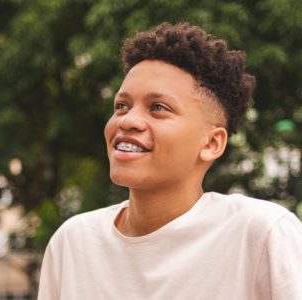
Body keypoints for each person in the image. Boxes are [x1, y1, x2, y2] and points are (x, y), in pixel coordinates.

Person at [37, 22, 302, 299]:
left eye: (158, 108)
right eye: (121, 106)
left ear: (212, 143)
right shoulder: (73, 242)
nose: (127, 120)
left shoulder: (262, 234)